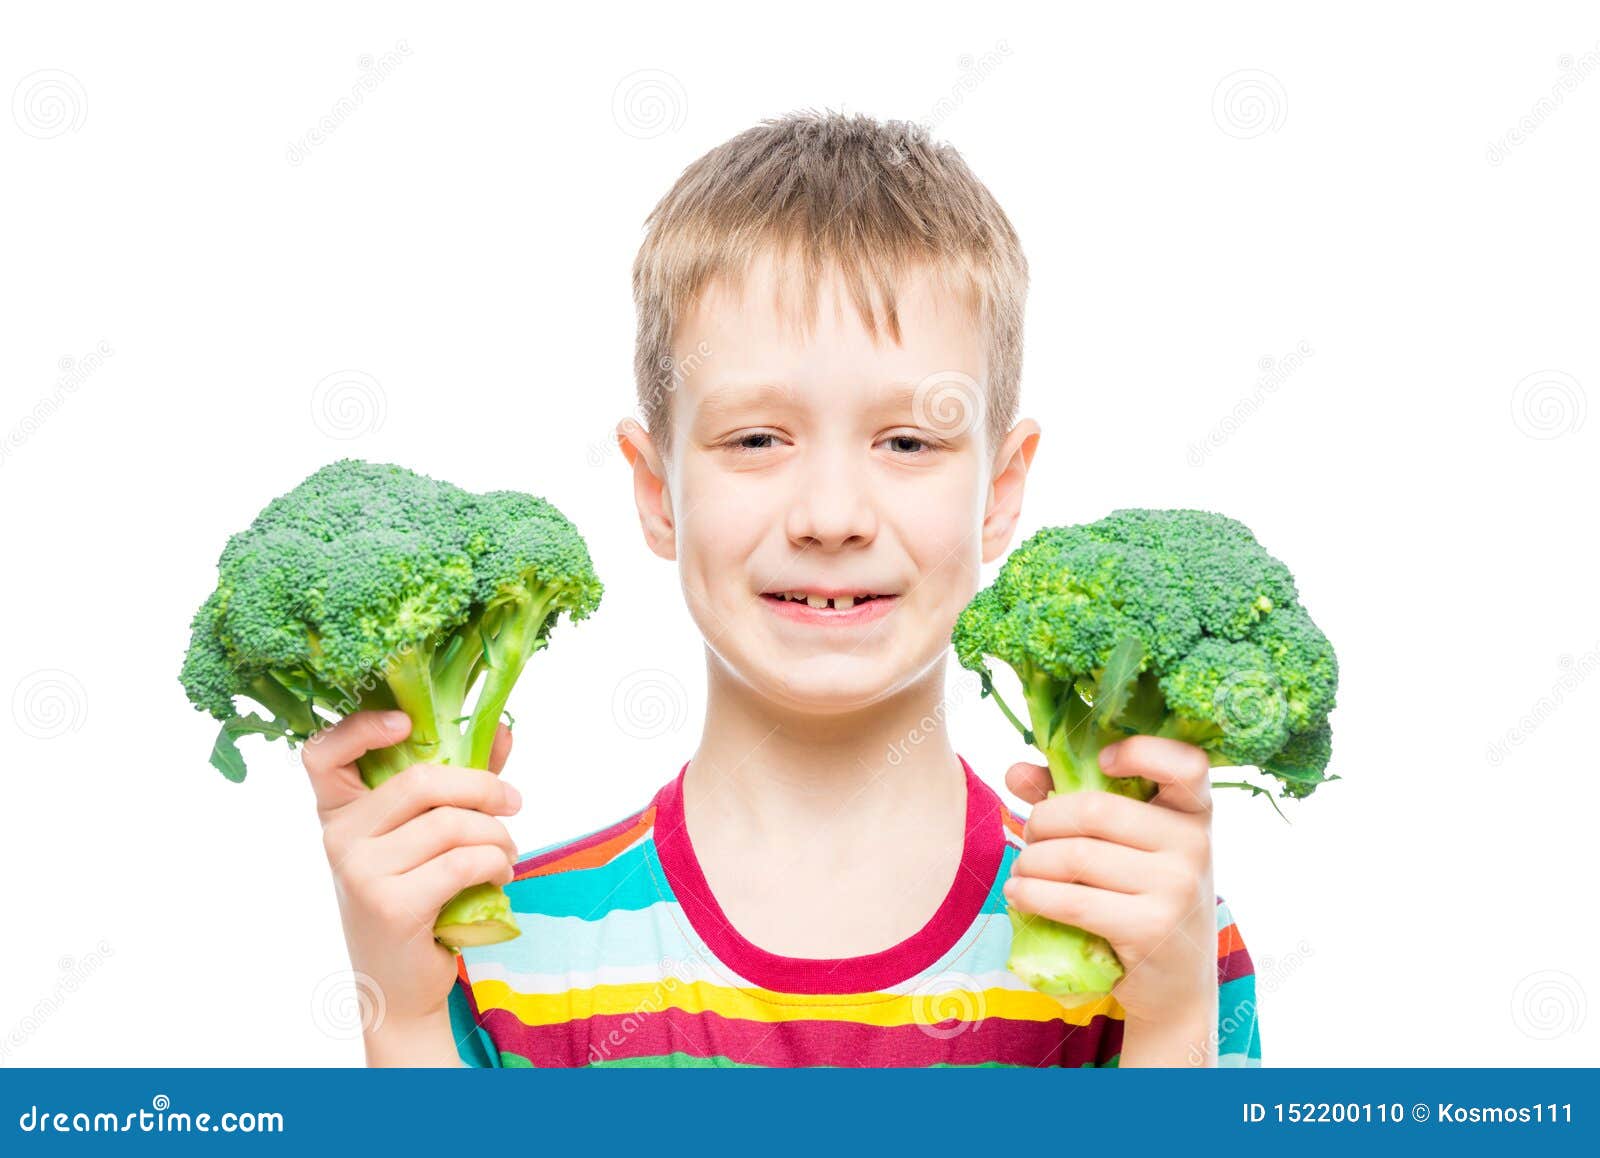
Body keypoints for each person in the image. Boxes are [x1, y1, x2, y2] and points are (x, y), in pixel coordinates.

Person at [303, 111, 1261, 1067]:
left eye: (909, 442)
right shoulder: (503, 956)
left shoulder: (1151, 934)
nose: (831, 513)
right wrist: (405, 1013)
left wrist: (1173, 1022)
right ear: (656, 490)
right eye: (756, 439)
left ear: (1000, 493)